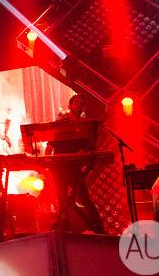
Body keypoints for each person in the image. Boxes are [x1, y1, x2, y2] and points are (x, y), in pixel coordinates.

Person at [45, 94, 106, 234]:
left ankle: (99, 228)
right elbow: (50, 144)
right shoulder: (61, 123)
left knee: (84, 198)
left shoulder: (85, 125)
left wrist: (83, 151)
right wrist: (46, 161)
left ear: (84, 108)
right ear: (70, 106)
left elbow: (90, 144)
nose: (79, 105)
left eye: (81, 103)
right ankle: (65, 230)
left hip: (73, 167)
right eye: (76, 102)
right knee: (62, 200)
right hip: (59, 166)